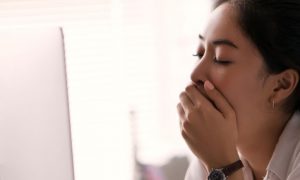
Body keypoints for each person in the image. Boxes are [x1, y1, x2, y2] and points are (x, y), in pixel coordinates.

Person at [176, 0, 300, 179]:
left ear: (281, 85)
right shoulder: (207, 154)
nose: (195, 74)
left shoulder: (216, 157)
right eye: (200, 53)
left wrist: (223, 167)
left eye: (221, 58)